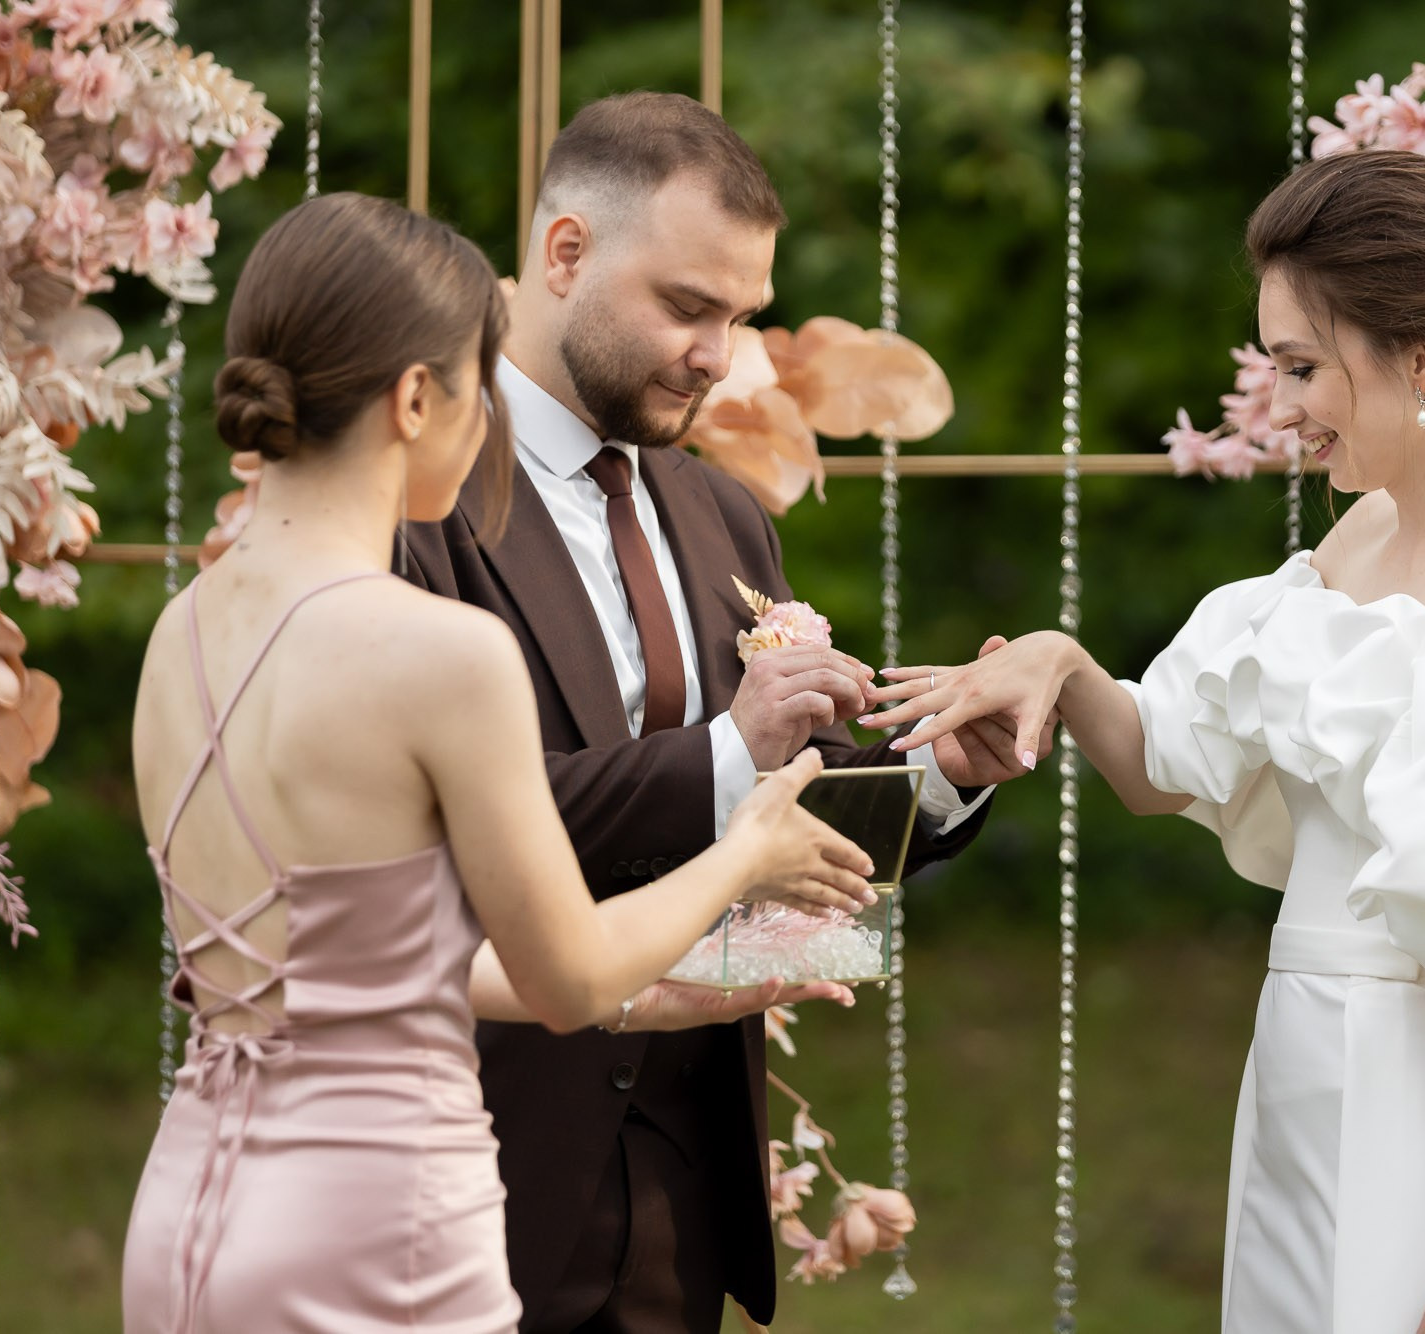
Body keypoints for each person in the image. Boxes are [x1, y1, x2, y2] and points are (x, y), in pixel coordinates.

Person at [867, 151, 1425, 1334]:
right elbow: (1161, 768)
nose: (1284, 403)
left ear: (1422, 356)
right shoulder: (1349, 549)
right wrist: (1065, 666)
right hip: (1297, 1075)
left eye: (1301, 366)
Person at [123, 192, 875, 1334]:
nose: (491, 431)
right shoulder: (443, 649)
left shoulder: (179, 634)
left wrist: (676, 1001)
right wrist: (750, 853)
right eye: (480, 393)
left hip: (193, 1204)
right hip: (382, 1212)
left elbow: (330, 959)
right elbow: (568, 976)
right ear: (417, 398)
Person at [401, 91, 1039, 1333]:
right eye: (687, 307)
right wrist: (728, 750)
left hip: (684, 1179)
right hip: (473, 1157)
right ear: (566, 251)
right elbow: (436, 824)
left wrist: (942, 772)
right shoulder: (417, 496)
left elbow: (777, 801)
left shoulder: (720, 511)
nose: (716, 354)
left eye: (738, 317)